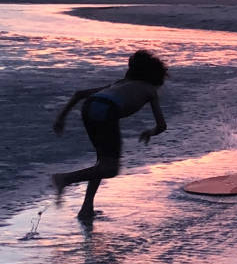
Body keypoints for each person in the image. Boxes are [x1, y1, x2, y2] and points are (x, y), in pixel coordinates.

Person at [52, 50, 168, 220]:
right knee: (111, 169)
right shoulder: (150, 90)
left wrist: (61, 118)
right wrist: (150, 132)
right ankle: (65, 179)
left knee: (102, 162)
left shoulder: (120, 82)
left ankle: (86, 209)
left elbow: (79, 94)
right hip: (107, 110)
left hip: (90, 106)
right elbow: (162, 125)